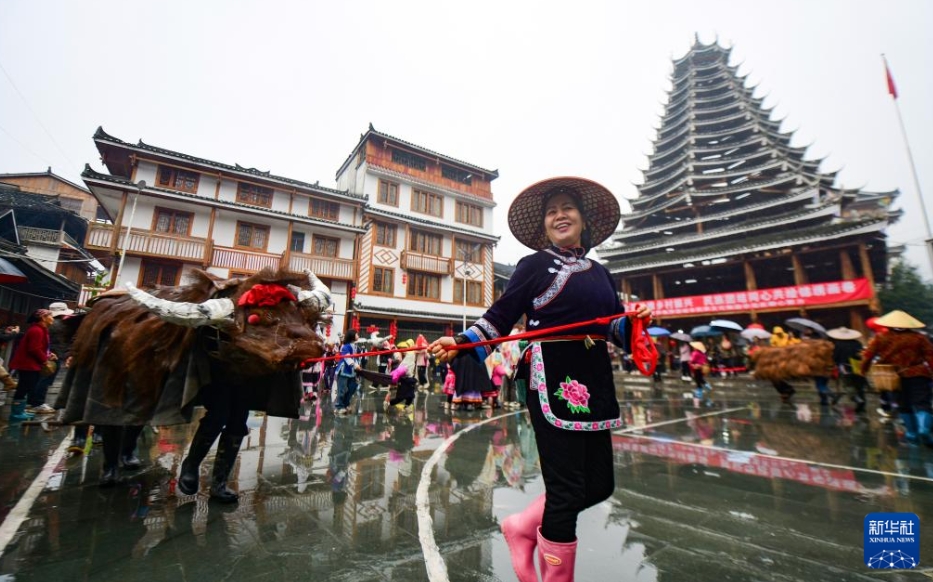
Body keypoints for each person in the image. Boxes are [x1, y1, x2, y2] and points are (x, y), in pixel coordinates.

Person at [428, 176, 651, 582]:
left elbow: (613, 328)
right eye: (552, 211)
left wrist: (635, 323)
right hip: (553, 379)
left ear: (583, 219)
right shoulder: (533, 266)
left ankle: (521, 527)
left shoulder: (602, 273)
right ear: (545, 225)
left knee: (599, 485)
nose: (559, 215)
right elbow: (500, 315)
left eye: (568, 208)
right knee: (566, 492)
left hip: (596, 381)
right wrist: (461, 342)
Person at [860, 310, 933, 446]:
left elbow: (868, 355)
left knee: (904, 405)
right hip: (918, 374)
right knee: (922, 403)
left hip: (892, 377)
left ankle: (911, 434)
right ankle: (924, 429)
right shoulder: (919, 338)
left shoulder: (881, 338)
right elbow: (930, 356)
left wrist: (863, 370)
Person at [8, 309, 58, 422]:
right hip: (28, 365)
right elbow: (34, 349)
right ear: (43, 318)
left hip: (32, 364)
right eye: (50, 316)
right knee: (23, 388)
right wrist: (45, 360)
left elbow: (40, 347)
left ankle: (20, 410)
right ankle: (16, 413)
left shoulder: (41, 329)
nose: (53, 319)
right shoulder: (36, 330)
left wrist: (48, 354)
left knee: (27, 387)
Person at [334, 330, 361, 415]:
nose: (358, 335)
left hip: (352, 371)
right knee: (341, 390)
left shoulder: (355, 346)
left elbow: (355, 358)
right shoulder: (345, 346)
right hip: (344, 370)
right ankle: (339, 407)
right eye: (356, 334)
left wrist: (357, 365)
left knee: (352, 388)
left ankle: (345, 404)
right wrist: (355, 365)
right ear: (352, 336)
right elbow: (347, 358)